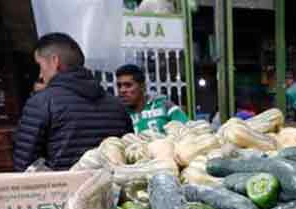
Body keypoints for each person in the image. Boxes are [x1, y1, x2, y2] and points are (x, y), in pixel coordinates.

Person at [13, 33, 133, 171]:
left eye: (40, 65)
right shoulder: (116, 105)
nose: (40, 74)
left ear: (55, 61)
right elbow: (130, 155)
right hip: (111, 190)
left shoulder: (41, 103)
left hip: (64, 191)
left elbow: (24, 166)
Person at [115, 64, 189, 134]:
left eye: (128, 85)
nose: (122, 90)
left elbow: (187, 130)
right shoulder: (118, 114)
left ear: (142, 87)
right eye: (119, 86)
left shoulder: (165, 106)